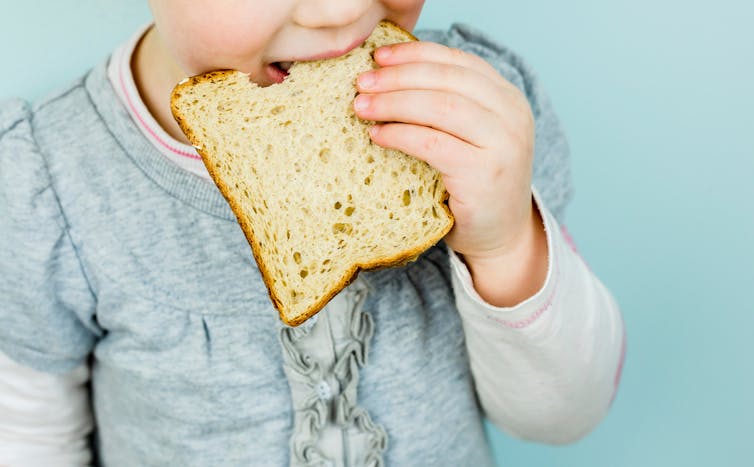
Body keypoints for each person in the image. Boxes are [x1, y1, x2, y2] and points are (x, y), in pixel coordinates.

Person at [0, 1, 626, 465]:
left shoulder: (476, 127)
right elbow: (29, 437)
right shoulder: (50, 179)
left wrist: (505, 243)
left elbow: (564, 417)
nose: (341, 10)